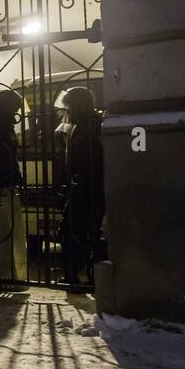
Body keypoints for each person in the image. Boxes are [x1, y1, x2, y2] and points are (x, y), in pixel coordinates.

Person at [57, 86, 104, 284]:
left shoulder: (91, 128)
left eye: (69, 108)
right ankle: (85, 275)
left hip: (88, 188)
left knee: (75, 232)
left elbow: (92, 161)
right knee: (83, 232)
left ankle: (78, 277)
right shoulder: (88, 126)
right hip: (86, 187)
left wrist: (78, 182)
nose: (67, 112)